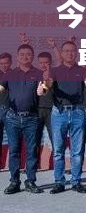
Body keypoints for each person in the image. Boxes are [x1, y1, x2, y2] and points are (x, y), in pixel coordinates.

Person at [49, 41, 86, 194]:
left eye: (73, 51)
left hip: (77, 112)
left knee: (77, 150)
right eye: (66, 51)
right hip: (59, 113)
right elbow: (48, 84)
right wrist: (44, 86)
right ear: (62, 53)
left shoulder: (82, 70)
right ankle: (59, 182)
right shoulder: (54, 71)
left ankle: (76, 181)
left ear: (77, 53)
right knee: (58, 150)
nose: (70, 53)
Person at [0, 45, 43, 194]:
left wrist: (42, 90)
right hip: (12, 118)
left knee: (32, 150)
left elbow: (44, 89)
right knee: (14, 150)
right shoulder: (10, 74)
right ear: (17, 56)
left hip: (32, 118)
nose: (25, 57)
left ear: (33, 56)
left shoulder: (38, 73)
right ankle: (14, 182)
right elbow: (1, 88)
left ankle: (30, 181)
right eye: (22, 54)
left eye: (28, 54)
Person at [36, 52, 54, 159]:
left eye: (46, 62)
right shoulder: (35, 74)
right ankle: (35, 164)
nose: (43, 65)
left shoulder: (55, 75)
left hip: (52, 110)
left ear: (50, 62)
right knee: (36, 138)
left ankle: (56, 164)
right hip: (37, 110)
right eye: (41, 62)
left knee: (54, 138)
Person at [0, 52, 12, 167]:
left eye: (6, 63)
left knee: (13, 139)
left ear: (11, 63)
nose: (4, 65)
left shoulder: (15, 75)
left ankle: (14, 165)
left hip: (11, 111)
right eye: (1, 63)